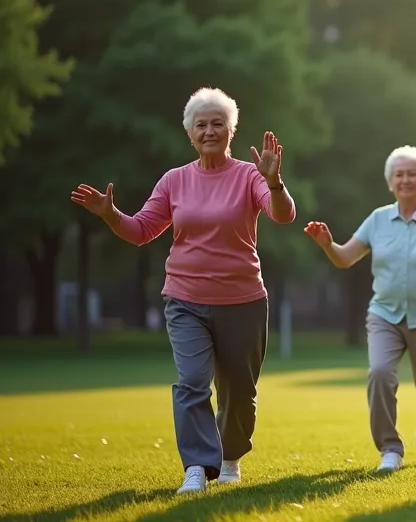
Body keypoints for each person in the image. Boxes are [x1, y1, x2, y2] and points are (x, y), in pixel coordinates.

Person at [70, 87, 297, 494]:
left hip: (243, 301)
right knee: (192, 381)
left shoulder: (250, 175)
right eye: (201, 125)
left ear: (231, 131)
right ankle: (196, 465)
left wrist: (275, 181)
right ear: (190, 134)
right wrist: (110, 215)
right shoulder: (174, 180)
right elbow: (141, 230)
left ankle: (230, 457)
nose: (209, 130)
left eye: (218, 124)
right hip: (185, 299)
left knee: (239, 393)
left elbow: (283, 216)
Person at [303, 145, 416, 472]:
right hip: (385, 315)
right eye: (399, 174)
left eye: (412, 174)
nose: (406, 180)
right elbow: (345, 258)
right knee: (379, 374)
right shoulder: (377, 219)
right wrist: (327, 245)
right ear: (390, 182)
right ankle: (390, 448)